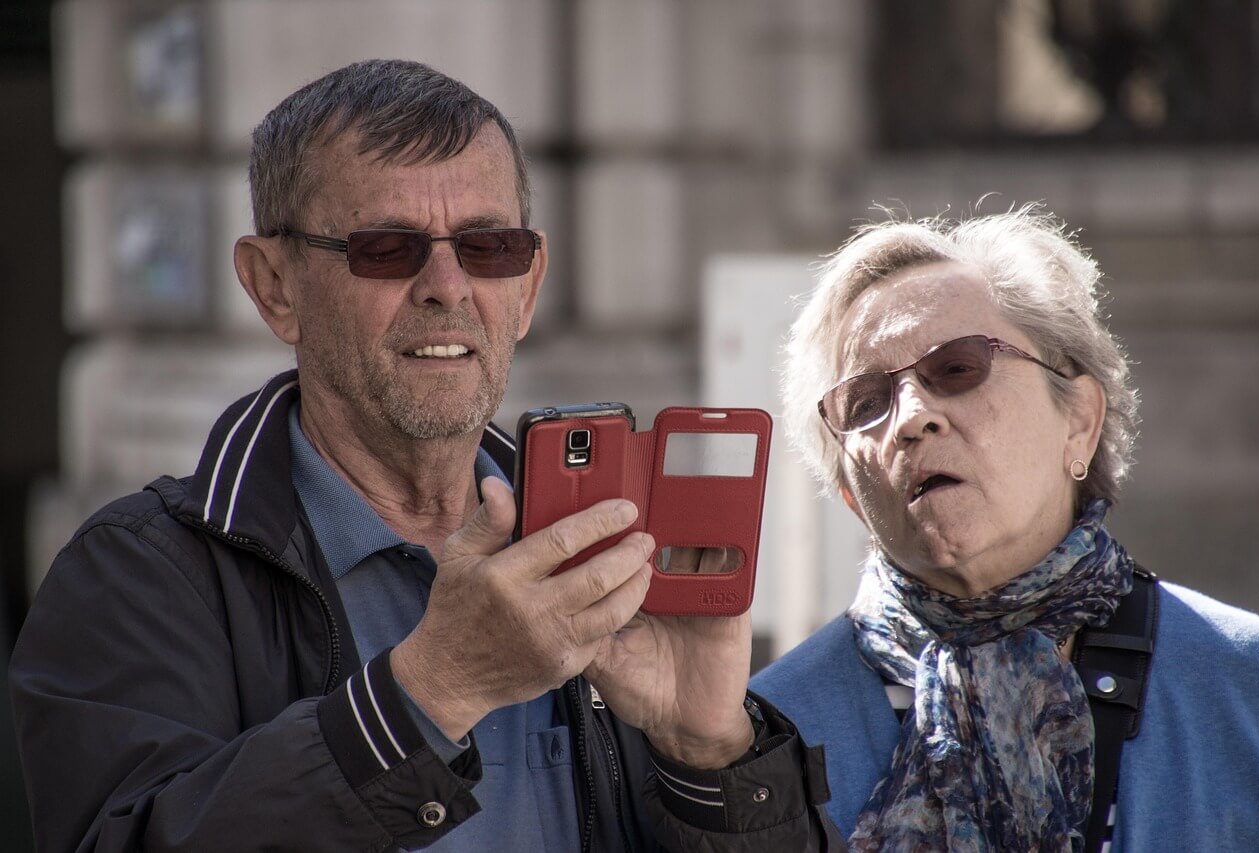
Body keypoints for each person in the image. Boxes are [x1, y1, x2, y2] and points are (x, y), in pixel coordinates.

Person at [10, 59, 840, 852]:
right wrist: (429, 693)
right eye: (386, 248)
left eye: (488, 248)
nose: (448, 285)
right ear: (275, 286)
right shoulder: (140, 575)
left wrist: (712, 754)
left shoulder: (611, 552)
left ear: (529, 284)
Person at [751, 207, 1259, 851]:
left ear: (1079, 421)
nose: (914, 417)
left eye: (957, 368)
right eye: (867, 403)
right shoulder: (761, 739)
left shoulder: (1254, 688)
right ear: (852, 498)